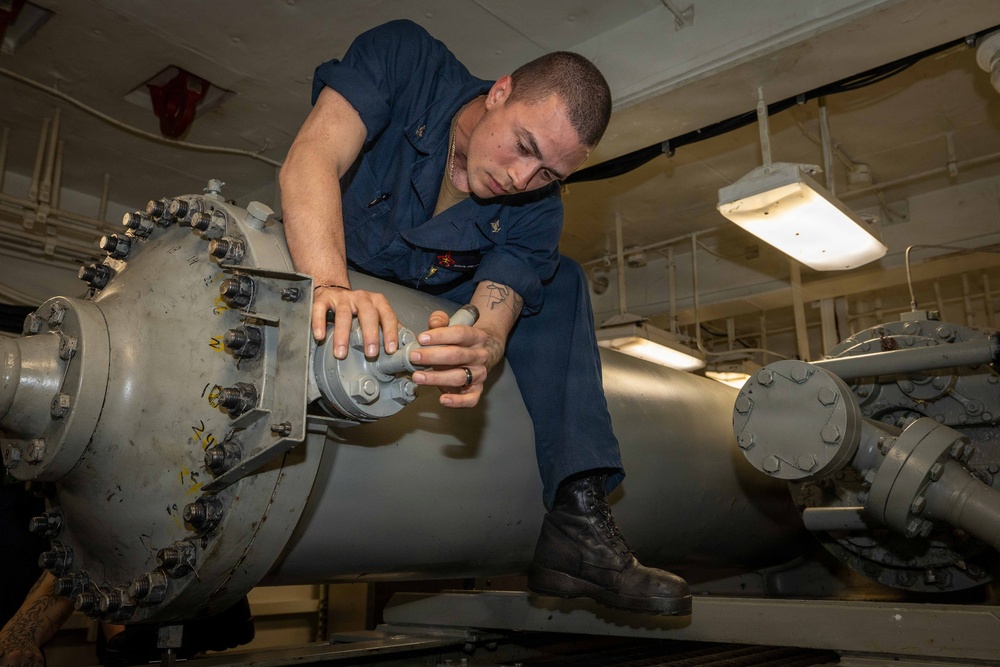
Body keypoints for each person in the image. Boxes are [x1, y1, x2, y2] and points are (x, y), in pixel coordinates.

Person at [280, 19, 691, 616]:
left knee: (563, 279)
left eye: (548, 172)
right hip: (329, 259)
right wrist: (331, 285)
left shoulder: (534, 207)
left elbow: (499, 309)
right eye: (525, 145)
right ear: (499, 92)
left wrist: (485, 349)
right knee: (252, 271)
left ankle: (577, 521)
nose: (521, 180)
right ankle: (217, 553)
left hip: (432, 294)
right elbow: (311, 158)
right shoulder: (406, 59)